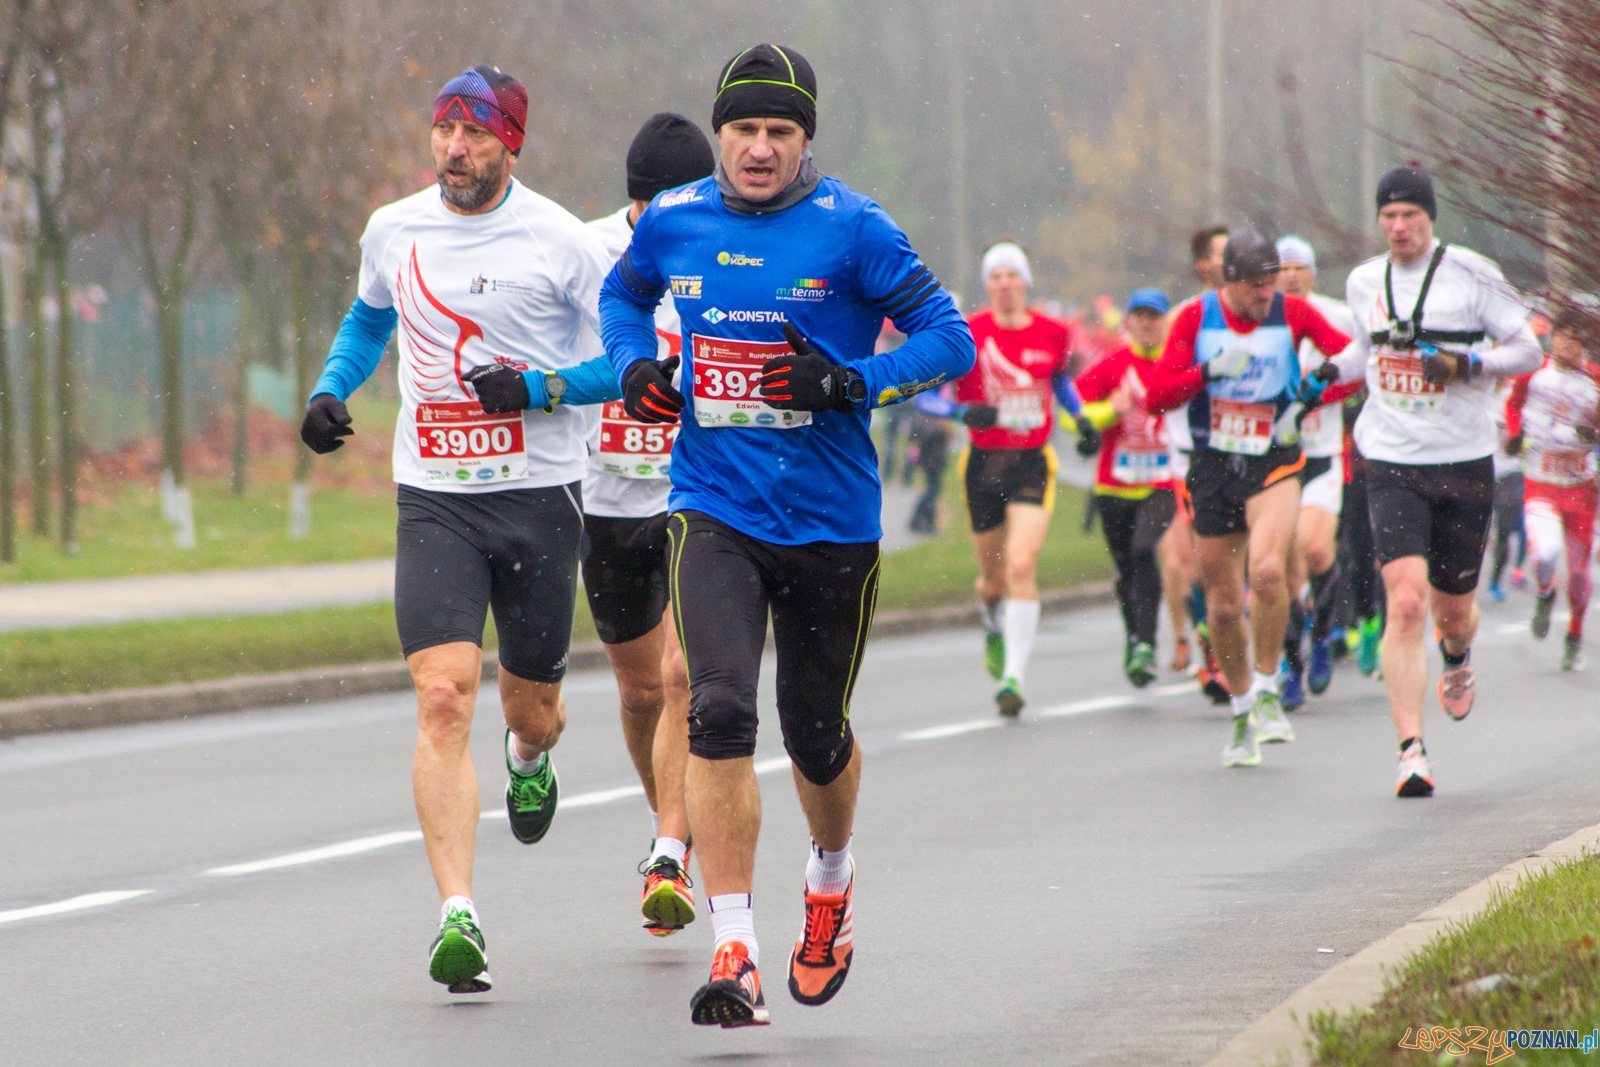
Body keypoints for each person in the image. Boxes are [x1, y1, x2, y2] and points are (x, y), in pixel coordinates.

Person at [599, 43, 973, 1028]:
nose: (758, 149)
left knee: (813, 735)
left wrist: (851, 381)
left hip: (831, 522)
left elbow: (948, 335)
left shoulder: (855, 229)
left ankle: (831, 877)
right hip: (713, 506)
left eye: (779, 132)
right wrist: (635, 365)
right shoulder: (675, 221)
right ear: (717, 133)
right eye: (743, 129)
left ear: (806, 139)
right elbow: (620, 296)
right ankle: (736, 948)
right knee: (717, 707)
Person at [299, 66, 623, 993]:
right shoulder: (393, 229)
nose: (454, 148)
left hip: (539, 495)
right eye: (444, 129)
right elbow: (368, 322)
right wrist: (332, 388)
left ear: (510, 143)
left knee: (533, 709)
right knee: (443, 696)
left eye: (475, 133)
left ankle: (529, 758)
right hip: (433, 496)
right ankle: (459, 915)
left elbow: (631, 359)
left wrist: (537, 388)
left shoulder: (560, 240)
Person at [1315, 165, 1542, 796]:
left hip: (1465, 461)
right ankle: (1411, 751)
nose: (1398, 227)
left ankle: (1459, 655)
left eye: (1409, 215)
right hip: (1390, 459)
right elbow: (1366, 351)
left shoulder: (1471, 274)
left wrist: (1466, 363)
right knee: (1407, 600)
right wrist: (1325, 375)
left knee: (1451, 612)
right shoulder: (1365, 280)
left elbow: (1528, 352)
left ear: (1429, 217)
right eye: (1388, 217)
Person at [1145, 228, 1353, 768]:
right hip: (1213, 465)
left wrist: (1314, 391)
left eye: (1273, 284)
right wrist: (1206, 373)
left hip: (1275, 458)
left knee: (1268, 570)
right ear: (1227, 280)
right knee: (1219, 599)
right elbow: (1157, 396)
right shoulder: (1195, 319)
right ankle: (1241, 710)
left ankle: (1267, 684)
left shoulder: (1293, 314)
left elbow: (1353, 364)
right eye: (1257, 286)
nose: (1267, 296)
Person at [584, 113, 716, 936]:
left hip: (695, 492)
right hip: (606, 497)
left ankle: (671, 849)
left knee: (680, 678)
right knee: (639, 693)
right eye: (646, 208)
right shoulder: (586, 250)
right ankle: (666, 820)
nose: (659, 222)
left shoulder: (722, 241)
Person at [953, 241, 1102, 716]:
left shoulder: (1052, 333)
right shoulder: (966, 333)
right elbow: (930, 395)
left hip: (1032, 461)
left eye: (1011, 276)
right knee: (993, 582)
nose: (1004, 284)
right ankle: (993, 621)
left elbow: (1059, 382)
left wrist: (1081, 422)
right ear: (987, 285)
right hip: (983, 464)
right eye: (994, 277)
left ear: (1025, 283)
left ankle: (1013, 677)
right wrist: (963, 410)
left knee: (1022, 565)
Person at [1274, 236, 1362, 705]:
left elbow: (1359, 370)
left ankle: (1324, 636)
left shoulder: (1336, 316)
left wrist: (1313, 396)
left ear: (1311, 273)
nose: (1290, 275)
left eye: (1298, 267)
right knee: (1285, 567)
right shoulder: (1263, 321)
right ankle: (1293, 660)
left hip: (1323, 452)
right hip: (1277, 459)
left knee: (1313, 549)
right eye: (1282, 268)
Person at [1075, 288, 1177, 687]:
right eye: (1140, 316)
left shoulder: (1178, 361)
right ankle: (1134, 636)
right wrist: (1107, 411)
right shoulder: (1113, 364)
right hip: (1114, 485)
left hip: (1162, 483)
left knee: (1144, 551)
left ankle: (1147, 644)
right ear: (1129, 322)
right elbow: (1074, 416)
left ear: (1166, 320)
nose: (1147, 323)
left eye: (1154, 316)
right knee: (1124, 569)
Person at [1504, 308, 1600, 670]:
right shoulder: (1533, 373)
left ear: (1584, 344)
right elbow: (1513, 407)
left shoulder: (1594, 379)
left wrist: (1595, 435)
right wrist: (1515, 435)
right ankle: (1545, 592)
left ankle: (1574, 634)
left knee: (1579, 573)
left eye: (1575, 338)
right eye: (1562, 334)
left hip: (1580, 487)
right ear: (1553, 337)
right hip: (1541, 482)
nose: (1566, 343)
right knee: (1545, 552)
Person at [1165, 227, 1233, 698]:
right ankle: (1213, 648)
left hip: (1246, 450)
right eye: (1225, 256)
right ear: (1203, 266)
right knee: (1198, 566)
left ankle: (1244, 648)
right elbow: (1162, 388)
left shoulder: (1258, 314)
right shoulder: (1181, 318)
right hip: (1191, 452)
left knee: (1252, 563)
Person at [1486, 376, 1529, 601]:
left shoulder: (1517, 396)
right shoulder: (1479, 391)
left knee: (1505, 530)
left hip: (1510, 472)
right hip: (1480, 471)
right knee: (1473, 531)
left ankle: (1496, 579)